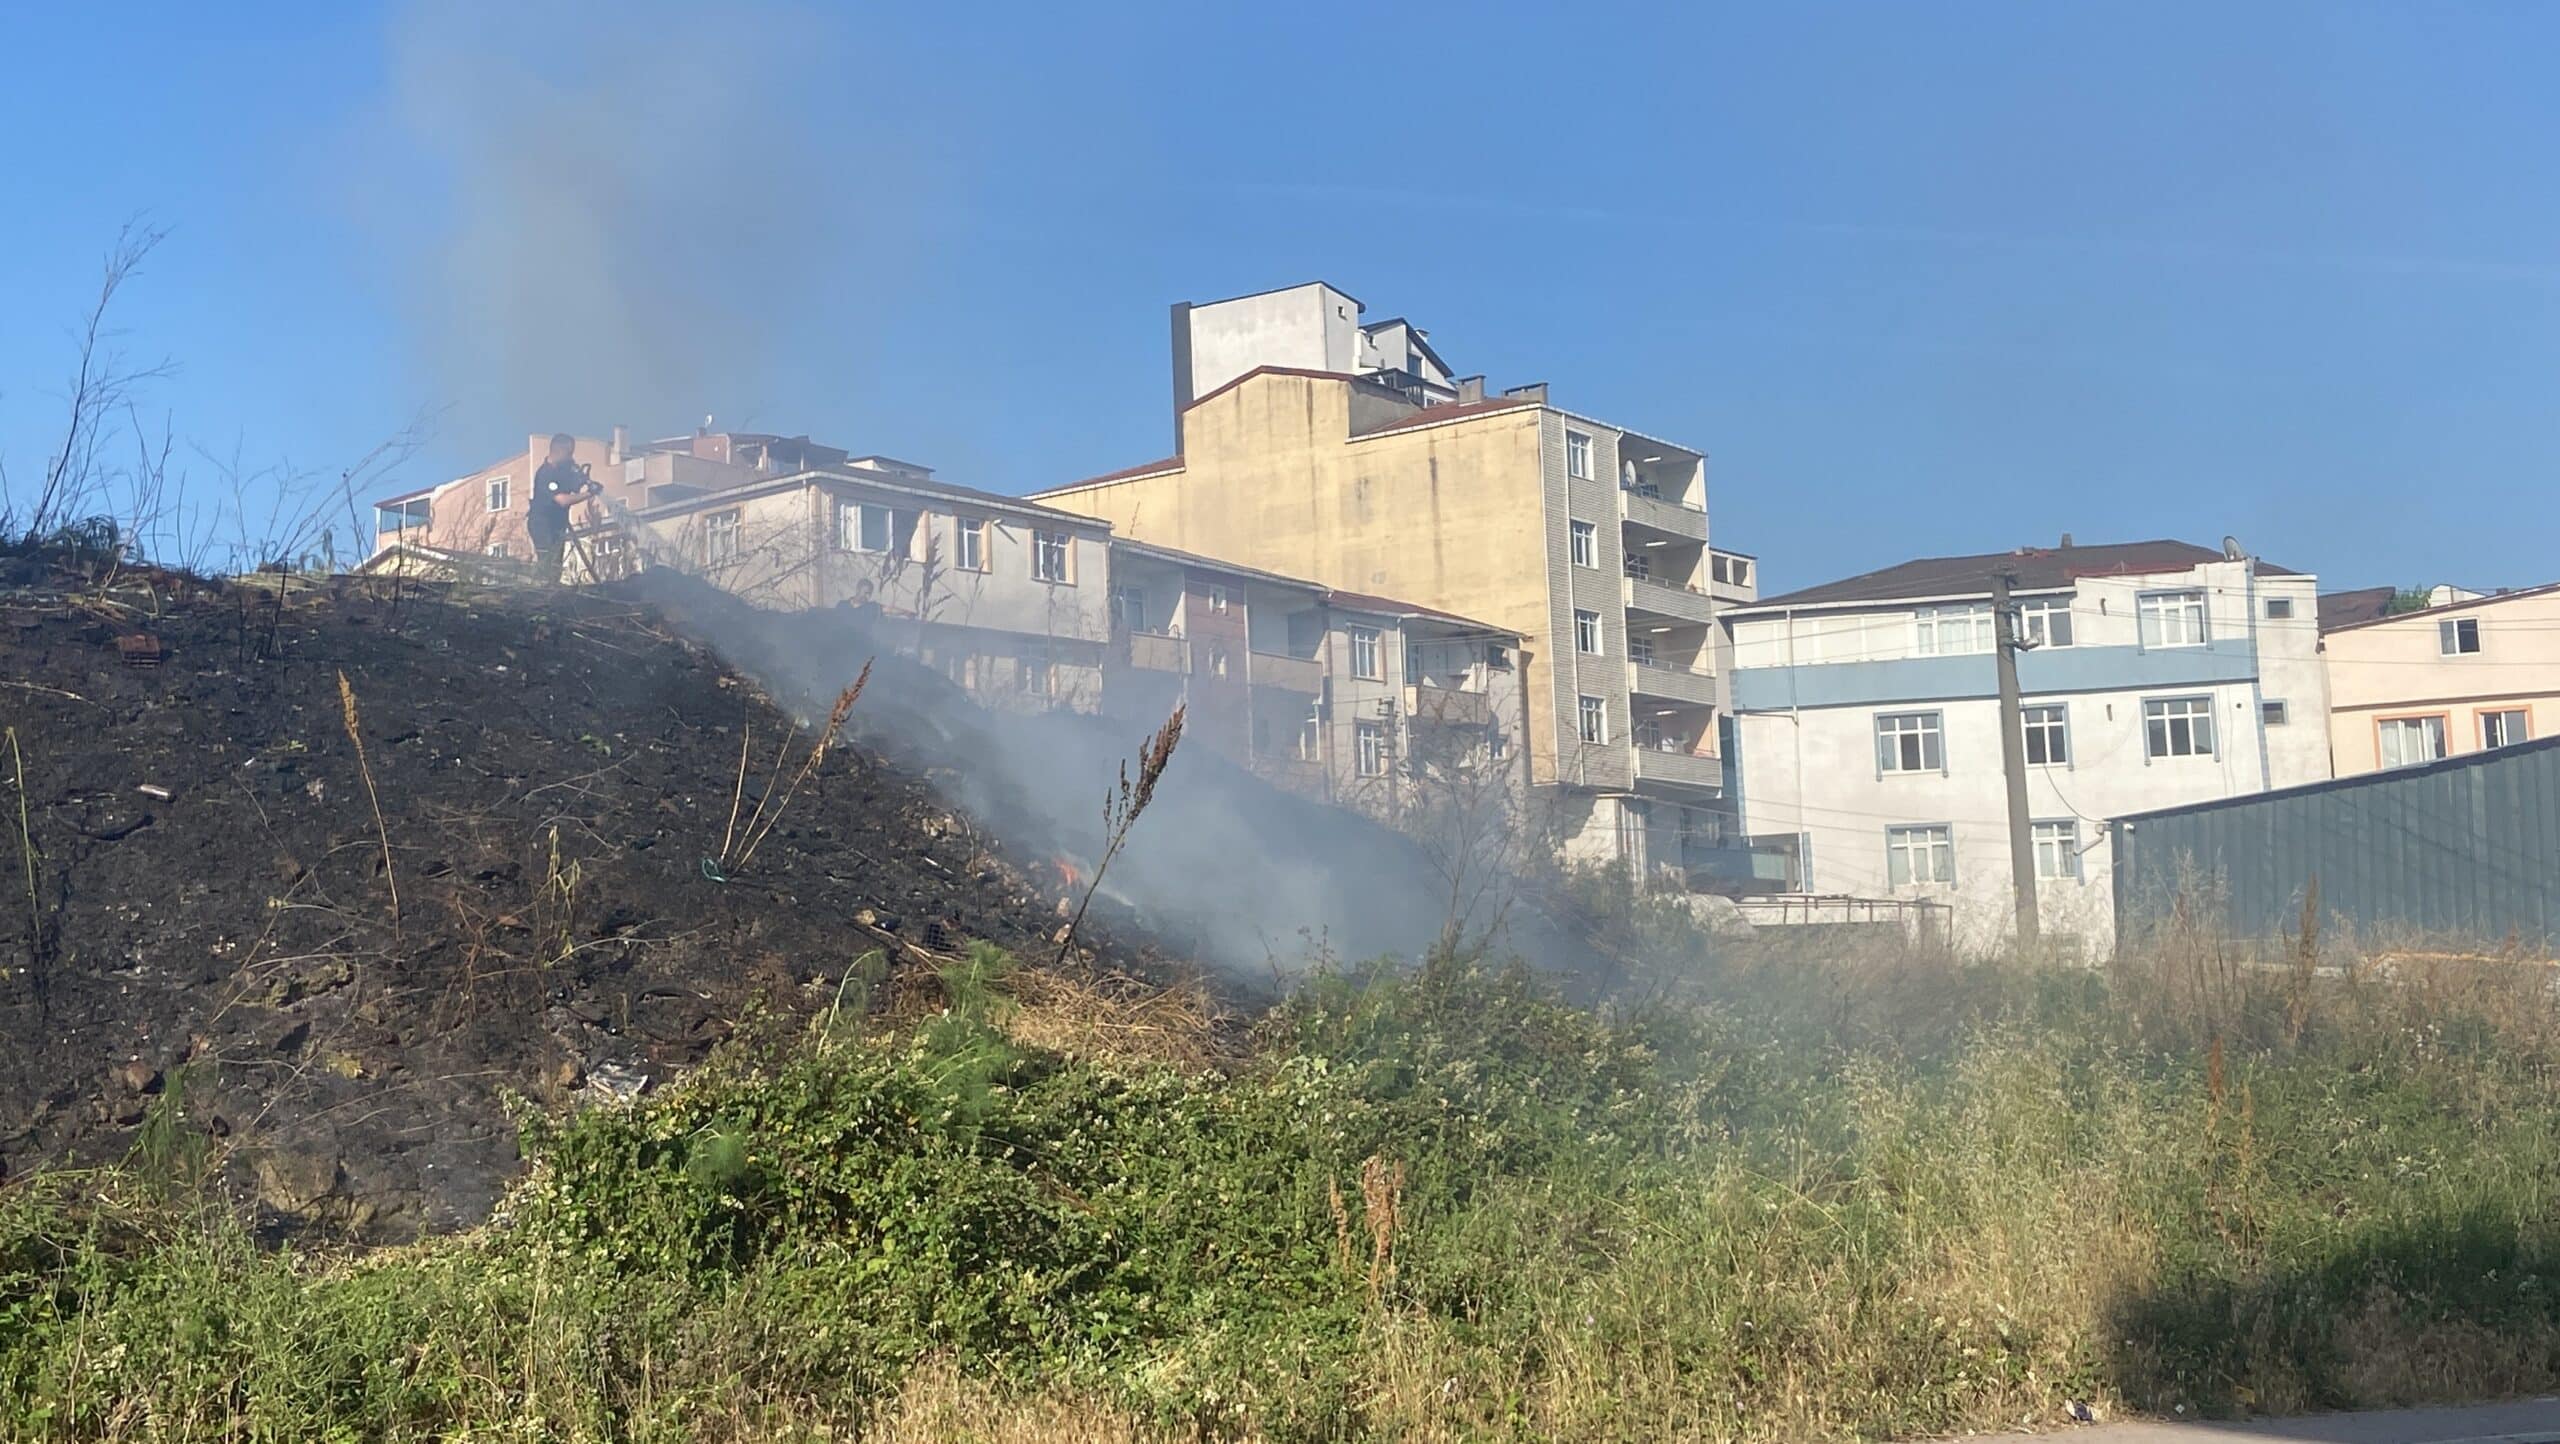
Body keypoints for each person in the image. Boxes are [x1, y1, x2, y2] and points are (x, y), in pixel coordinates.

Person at [528, 433, 600, 584]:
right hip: (543, 525)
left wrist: (583, 481)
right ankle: (543, 591)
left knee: (556, 567)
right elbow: (562, 500)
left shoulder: (563, 471)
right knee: (548, 563)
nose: (571, 458)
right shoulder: (546, 474)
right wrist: (590, 493)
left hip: (557, 526)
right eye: (569, 453)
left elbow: (572, 487)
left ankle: (551, 589)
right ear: (559, 451)